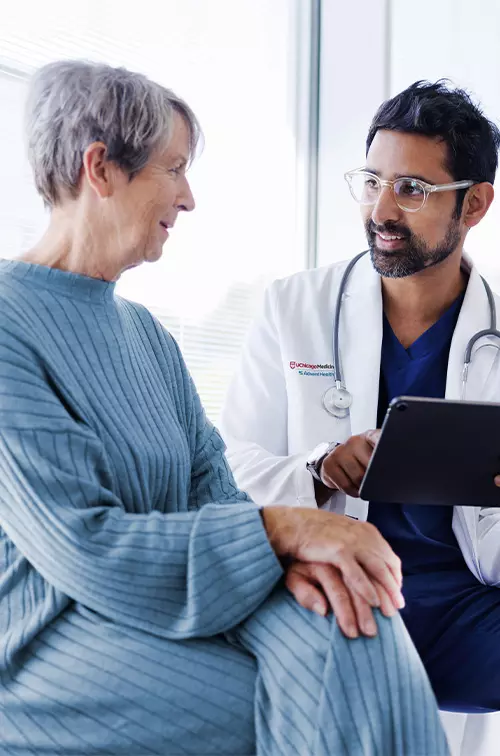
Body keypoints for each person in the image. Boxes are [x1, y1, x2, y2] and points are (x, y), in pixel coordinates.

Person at [0, 61, 449, 756]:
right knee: (311, 697)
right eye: (173, 168)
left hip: (176, 600)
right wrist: (283, 533)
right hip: (48, 632)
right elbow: (85, 547)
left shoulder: (148, 337)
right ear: (101, 169)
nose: (189, 198)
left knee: (363, 630)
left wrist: (301, 555)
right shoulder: (8, 326)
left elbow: (214, 493)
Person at [221, 80, 500, 719]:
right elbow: (230, 469)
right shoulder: (294, 308)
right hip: (335, 587)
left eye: (413, 189)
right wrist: (316, 472)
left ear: (476, 204)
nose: (381, 210)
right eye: (372, 182)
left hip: (467, 607)